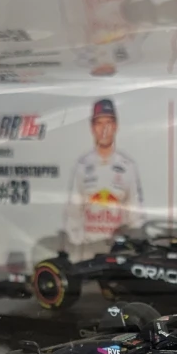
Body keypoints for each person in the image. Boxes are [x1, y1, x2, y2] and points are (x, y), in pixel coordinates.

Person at [64, 99, 144, 250]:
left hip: (118, 251)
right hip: (89, 248)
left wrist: (132, 245)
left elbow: (135, 215)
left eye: (108, 123)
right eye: (99, 123)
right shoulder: (83, 166)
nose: (104, 129)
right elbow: (73, 212)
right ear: (92, 128)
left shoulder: (127, 166)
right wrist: (78, 243)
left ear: (115, 126)